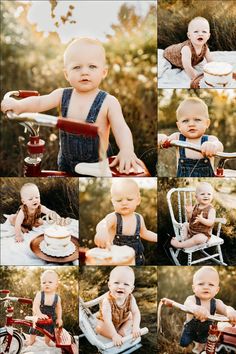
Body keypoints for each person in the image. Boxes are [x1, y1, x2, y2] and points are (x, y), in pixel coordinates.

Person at [1, 37, 143, 175]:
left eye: (92, 66)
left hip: (97, 166)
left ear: (103, 72)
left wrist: (126, 149)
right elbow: (40, 102)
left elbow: (121, 128)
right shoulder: (62, 95)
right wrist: (18, 105)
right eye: (76, 67)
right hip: (66, 163)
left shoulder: (109, 101)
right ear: (66, 74)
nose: (84, 72)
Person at [94, 179, 157, 265]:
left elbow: (144, 233)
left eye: (129, 199)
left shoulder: (138, 218)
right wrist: (102, 231)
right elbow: (103, 223)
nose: (124, 203)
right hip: (118, 260)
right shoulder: (114, 217)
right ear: (113, 202)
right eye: (119, 200)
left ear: (138, 200)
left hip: (138, 260)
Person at [158, 97, 223, 177]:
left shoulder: (209, 139)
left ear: (207, 123)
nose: (191, 124)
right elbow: (166, 140)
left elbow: (219, 145)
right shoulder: (177, 137)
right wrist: (161, 138)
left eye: (197, 120)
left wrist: (213, 146)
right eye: (185, 121)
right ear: (179, 126)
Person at [179, 266, 236, 353]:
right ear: (194, 288)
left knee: (209, 344)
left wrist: (230, 312)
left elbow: (225, 308)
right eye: (201, 284)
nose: (206, 287)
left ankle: (201, 347)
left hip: (205, 332)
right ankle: (187, 347)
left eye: (211, 284)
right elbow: (188, 304)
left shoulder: (217, 302)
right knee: (184, 344)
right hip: (190, 332)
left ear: (217, 290)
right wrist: (196, 308)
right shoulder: (192, 299)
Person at [96, 266, 141, 346]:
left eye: (126, 284)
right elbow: (108, 320)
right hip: (107, 321)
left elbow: (136, 313)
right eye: (116, 283)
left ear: (131, 289)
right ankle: (115, 335)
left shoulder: (130, 298)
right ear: (109, 285)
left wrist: (136, 327)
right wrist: (114, 335)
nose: (121, 286)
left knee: (130, 318)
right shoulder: (107, 301)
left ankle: (122, 330)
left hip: (123, 319)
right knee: (99, 328)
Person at [170, 182, 215, 249]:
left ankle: (180, 245)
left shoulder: (211, 209)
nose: (206, 196)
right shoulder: (196, 206)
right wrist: (189, 212)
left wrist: (202, 220)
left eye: (209, 194)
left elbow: (211, 222)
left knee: (198, 238)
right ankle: (185, 239)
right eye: (202, 194)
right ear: (196, 197)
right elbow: (190, 219)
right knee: (185, 224)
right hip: (192, 230)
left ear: (212, 196)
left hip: (203, 234)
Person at [27, 270, 63, 347]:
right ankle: (31, 340)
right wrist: (39, 313)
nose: (47, 284)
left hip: (50, 319)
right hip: (39, 317)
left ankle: (47, 342)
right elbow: (35, 305)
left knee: (49, 332)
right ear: (41, 284)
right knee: (34, 328)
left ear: (56, 284)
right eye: (44, 282)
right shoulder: (40, 294)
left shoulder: (57, 298)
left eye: (50, 282)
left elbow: (59, 308)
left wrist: (59, 318)